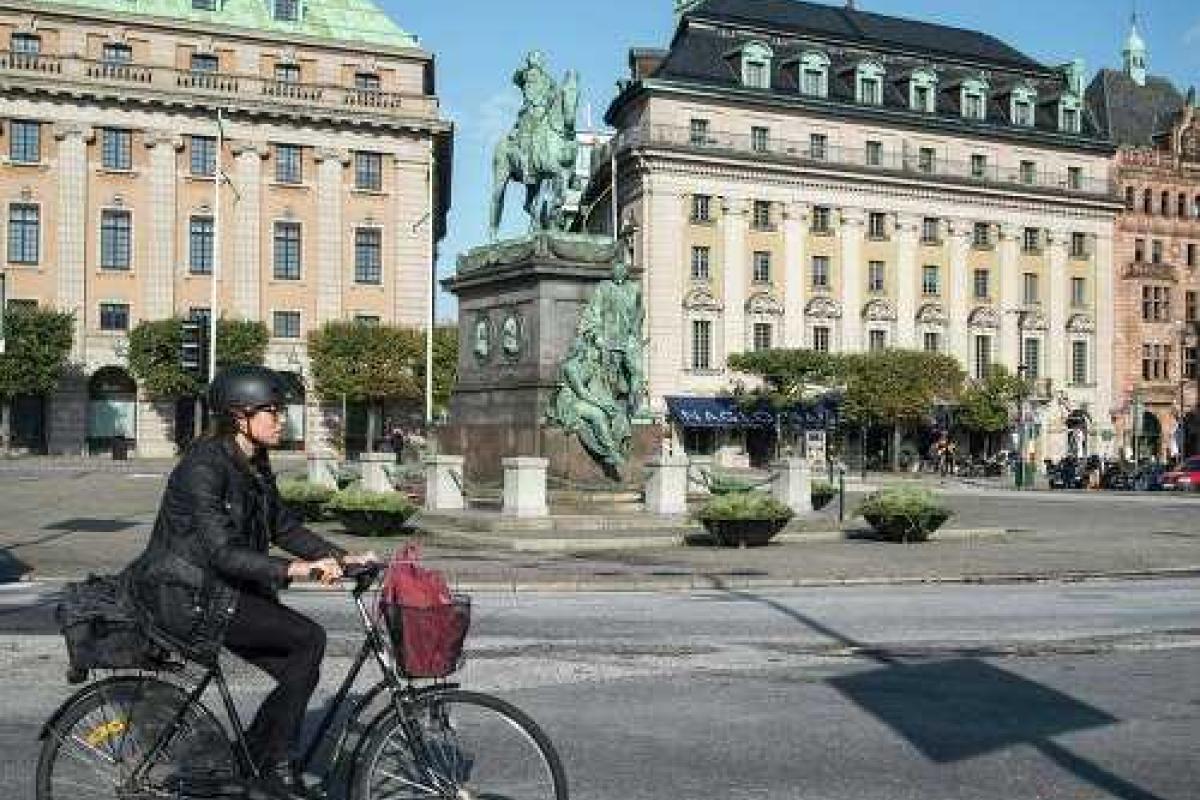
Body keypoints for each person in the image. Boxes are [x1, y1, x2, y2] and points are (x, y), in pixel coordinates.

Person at [127, 366, 376, 800]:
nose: (282, 420)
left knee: (301, 660)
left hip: (222, 590)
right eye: (272, 411)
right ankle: (270, 765)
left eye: (280, 411)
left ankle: (257, 760)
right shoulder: (203, 466)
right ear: (240, 416)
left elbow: (282, 526)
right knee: (308, 640)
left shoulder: (253, 462)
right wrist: (297, 570)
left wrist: (340, 557)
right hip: (187, 595)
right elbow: (222, 552)